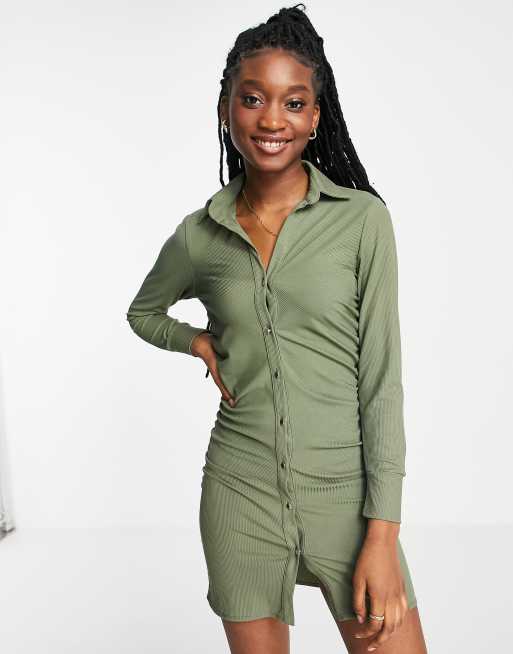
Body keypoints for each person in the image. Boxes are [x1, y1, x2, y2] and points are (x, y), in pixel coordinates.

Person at [126, 4, 428, 653]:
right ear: (225, 109)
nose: (271, 120)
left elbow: (381, 383)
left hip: (347, 499)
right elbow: (142, 313)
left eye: (293, 103)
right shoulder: (199, 235)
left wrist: (382, 535)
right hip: (239, 495)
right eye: (253, 98)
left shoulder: (361, 222)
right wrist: (196, 342)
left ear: (315, 117)